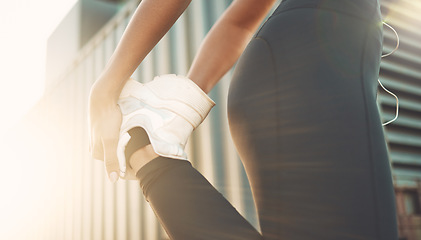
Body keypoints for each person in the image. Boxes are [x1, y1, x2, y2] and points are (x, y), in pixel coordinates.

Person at [88, 0, 398, 239]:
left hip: (278, 70)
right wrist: (106, 86)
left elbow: (240, 22)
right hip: (314, 70)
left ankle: (150, 157)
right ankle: (150, 156)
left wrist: (179, 107)